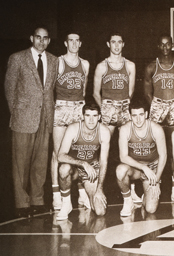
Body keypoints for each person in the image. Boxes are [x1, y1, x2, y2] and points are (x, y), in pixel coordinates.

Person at [5, 27, 58, 218]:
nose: (41, 42)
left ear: (49, 41)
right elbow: (10, 89)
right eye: (38, 38)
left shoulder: (53, 60)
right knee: (21, 164)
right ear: (31, 38)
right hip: (23, 118)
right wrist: (18, 112)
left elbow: (50, 91)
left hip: (45, 118)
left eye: (45, 38)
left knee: (40, 163)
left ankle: (37, 200)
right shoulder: (17, 58)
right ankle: (22, 203)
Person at [144, 35, 174, 203]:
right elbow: (147, 92)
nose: (165, 47)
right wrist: (158, 106)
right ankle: (153, 184)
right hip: (157, 106)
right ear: (158, 46)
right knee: (154, 149)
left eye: (168, 44)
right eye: (162, 44)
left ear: (172, 45)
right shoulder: (151, 67)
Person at [51, 32, 90, 211]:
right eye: (71, 41)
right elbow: (50, 88)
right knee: (58, 153)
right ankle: (56, 194)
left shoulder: (85, 64)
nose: (74, 43)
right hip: (61, 107)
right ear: (66, 43)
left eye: (77, 40)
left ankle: (82, 192)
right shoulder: (58, 62)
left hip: (78, 108)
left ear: (80, 43)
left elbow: (84, 88)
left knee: (80, 152)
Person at [56, 104, 111, 220]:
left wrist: (100, 188)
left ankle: (85, 191)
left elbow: (104, 162)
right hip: (75, 168)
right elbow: (60, 156)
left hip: (91, 171)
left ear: (99, 117)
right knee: (63, 169)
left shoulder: (104, 131)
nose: (91, 120)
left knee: (100, 211)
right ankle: (66, 204)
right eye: (88, 116)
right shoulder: (73, 128)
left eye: (94, 116)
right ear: (82, 116)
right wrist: (83, 163)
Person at [116, 99, 167, 216]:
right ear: (130, 116)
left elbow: (163, 155)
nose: (138, 119)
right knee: (120, 170)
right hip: (135, 167)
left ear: (146, 114)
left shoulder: (156, 129)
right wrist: (143, 167)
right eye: (134, 115)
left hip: (153, 168)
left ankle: (146, 195)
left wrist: (156, 180)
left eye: (141, 115)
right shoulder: (125, 129)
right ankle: (128, 201)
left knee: (150, 209)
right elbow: (123, 157)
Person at [93, 32, 136, 135]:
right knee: (104, 142)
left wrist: (123, 106)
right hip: (108, 108)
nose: (116, 46)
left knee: (126, 142)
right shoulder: (101, 66)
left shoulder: (130, 65)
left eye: (119, 42)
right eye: (113, 42)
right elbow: (95, 93)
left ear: (123, 44)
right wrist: (104, 109)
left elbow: (131, 91)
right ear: (108, 44)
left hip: (124, 107)